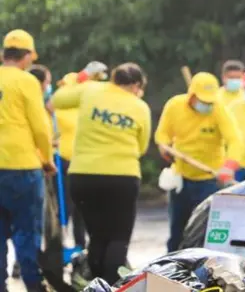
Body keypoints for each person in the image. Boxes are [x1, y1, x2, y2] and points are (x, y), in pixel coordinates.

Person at [52, 63, 151, 284]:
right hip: (122, 178)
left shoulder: (90, 89)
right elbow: (142, 146)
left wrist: (82, 76)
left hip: (83, 176)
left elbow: (58, 99)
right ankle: (111, 284)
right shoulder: (139, 106)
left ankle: (95, 284)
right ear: (136, 85)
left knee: (97, 236)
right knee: (118, 237)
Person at [155, 72, 244, 252]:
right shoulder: (174, 105)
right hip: (181, 178)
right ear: (192, 95)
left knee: (205, 230)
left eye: (210, 101)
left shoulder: (219, 110)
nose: (208, 105)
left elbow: (235, 140)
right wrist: (164, 147)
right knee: (178, 230)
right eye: (204, 101)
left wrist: (229, 166)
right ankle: (172, 263)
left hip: (209, 180)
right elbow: (162, 134)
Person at [0, 29, 56, 292]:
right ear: (26, 57)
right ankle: (33, 284)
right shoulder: (26, 81)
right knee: (27, 230)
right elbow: (40, 128)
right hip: (22, 166)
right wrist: (47, 159)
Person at [53, 73, 88, 251]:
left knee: (68, 206)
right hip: (69, 161)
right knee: (73, 207)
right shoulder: (82, 109)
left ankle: (70, 245)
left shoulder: (58, 110)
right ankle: (73, 244)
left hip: (72, 161)